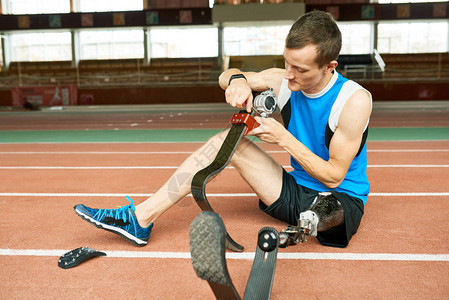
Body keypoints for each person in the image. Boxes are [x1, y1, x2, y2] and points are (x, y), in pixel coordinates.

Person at [74, 10, 372, 248]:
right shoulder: (283, 79)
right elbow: (227, 75)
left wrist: (282, 137)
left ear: (329, 66)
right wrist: (238, 82)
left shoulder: (353, 101)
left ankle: (306, 227)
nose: (289, 74)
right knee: (226, 142)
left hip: (339, 202)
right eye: (286, 63)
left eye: (300, 69)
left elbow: (334, 176)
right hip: (296, 191)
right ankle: (140, 218)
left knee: (329, 210)